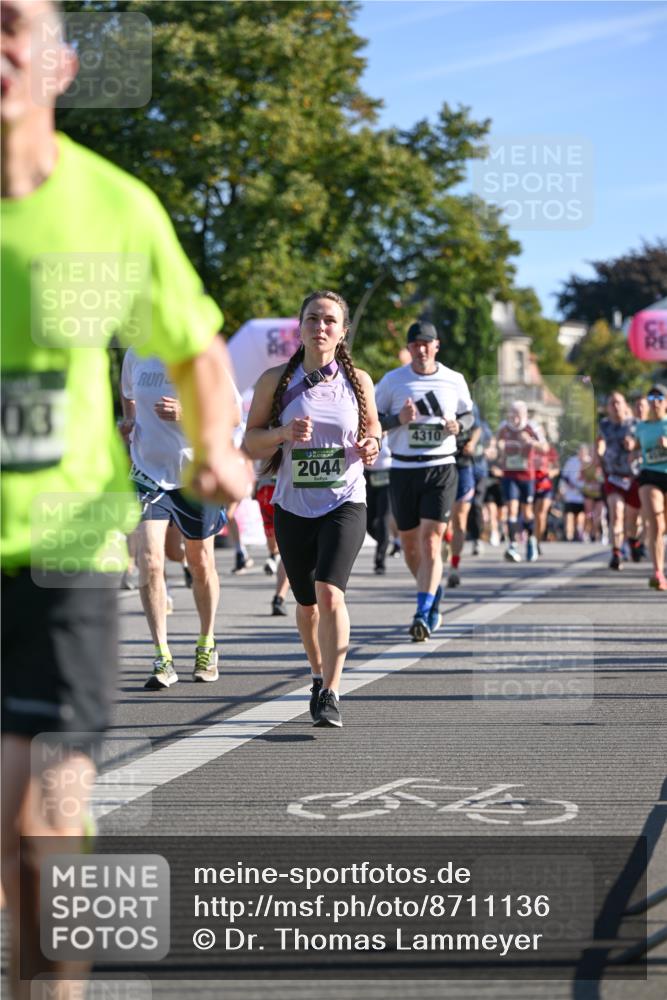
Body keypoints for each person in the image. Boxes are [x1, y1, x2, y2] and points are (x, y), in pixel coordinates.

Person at [0, 3, 251, 996]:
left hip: (66, 549)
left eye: (14, 23)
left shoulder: (116, 209)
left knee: (50, 828)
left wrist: (221, 448)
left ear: (60, 66)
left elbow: (192, 347)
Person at [244, 290, 381, 727]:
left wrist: (373, 444)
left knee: (329, 592)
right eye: (312, 319)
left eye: (329, 321)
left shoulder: (359, 380)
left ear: (342, 332)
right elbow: (249, 442)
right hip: (294, 504)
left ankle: (332, 692)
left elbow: (373, 426)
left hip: (345, 500)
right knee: (307, 605)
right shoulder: (274, 381)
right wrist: (283, 433)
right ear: (300, 327)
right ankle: (317, 674)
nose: (320, 327)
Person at [121, 348, 240, 688]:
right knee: (150, 560)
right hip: (148, 473)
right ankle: (162, 656)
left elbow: (232, 414)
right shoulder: (135, 353)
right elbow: (128, 394)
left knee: (200, 562)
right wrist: (129, 424)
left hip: (195, 474)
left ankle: (207, 642)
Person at [374, 320, 473, 640]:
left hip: (441, 467)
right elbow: (372, 423)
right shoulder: (392, 381)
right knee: (410, 547)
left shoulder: (453, 380)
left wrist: (459, 427)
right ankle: (432, 592)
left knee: (431, 540)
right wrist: (397, 420)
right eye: (414, 345)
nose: (420, 350)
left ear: (436, 346)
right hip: (402, 469)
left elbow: (469, 415)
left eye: (426, 344)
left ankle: (422, 609)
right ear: (409, 348)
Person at [597, 391, 641, 570]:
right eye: (612, 403)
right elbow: (599, 442)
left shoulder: (635, 424)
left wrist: (634, 447)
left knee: (632, 521)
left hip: (633, 476)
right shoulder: (604, 425)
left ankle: (633, 540)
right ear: (607, 407)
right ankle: (616, 553)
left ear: (625, 405)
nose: (615, 407)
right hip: (613, 476)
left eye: (618, 403)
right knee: (616, 514)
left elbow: (644, 445)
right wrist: (599, 454)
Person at [630, 384, 667, 590]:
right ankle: (658, 572)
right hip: (649, 476)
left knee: (664, 524)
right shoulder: (642, 426)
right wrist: (631, 448)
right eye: (651, 399)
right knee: (656, 524)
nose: (656, 403)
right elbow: (636, 446)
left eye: (660, 398)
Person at [497, 401, 543, 562]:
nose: (514, 417)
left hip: (527, 475)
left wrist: (531, 441)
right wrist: (499, 446)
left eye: (517, 414)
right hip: (509, 474)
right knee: (512, 510)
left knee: (528, 512)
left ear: (524, 415)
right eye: (512, 413)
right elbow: (496, 443)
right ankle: (512, 545)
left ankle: (531, 540)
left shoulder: (532, 427)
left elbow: (545, 447)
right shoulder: (504, 427)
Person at [447, 416, 481, 587]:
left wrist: (472, 443)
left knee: (459, 520)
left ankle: (454, 566)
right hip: (441, 465)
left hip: (463, 466)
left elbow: (478, 427)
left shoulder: (465, 401)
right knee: (443, 524)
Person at [254, 464, 291, 615]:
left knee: (285, 549)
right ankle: (279, 598)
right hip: (276, 488)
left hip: (276, 488)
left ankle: (279, 597)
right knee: (282, 549)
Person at [365, 434, 393, 574]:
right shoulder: (368, 431)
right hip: (368, 477)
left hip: (388, 477)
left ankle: (380, 561)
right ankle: (385, 540)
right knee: (368, 522)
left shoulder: (392, 434)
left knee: (383, 519)